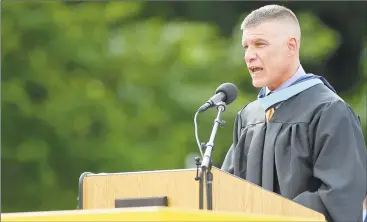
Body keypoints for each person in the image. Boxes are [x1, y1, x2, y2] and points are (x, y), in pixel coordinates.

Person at [221, 4, 367, 222]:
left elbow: (339, 197)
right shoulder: (249, 117)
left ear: (291, 46)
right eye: (246, 47)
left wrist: (270, 215)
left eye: (260, 44)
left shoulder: (328, 111)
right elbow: (227, 190)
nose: (250, 56)